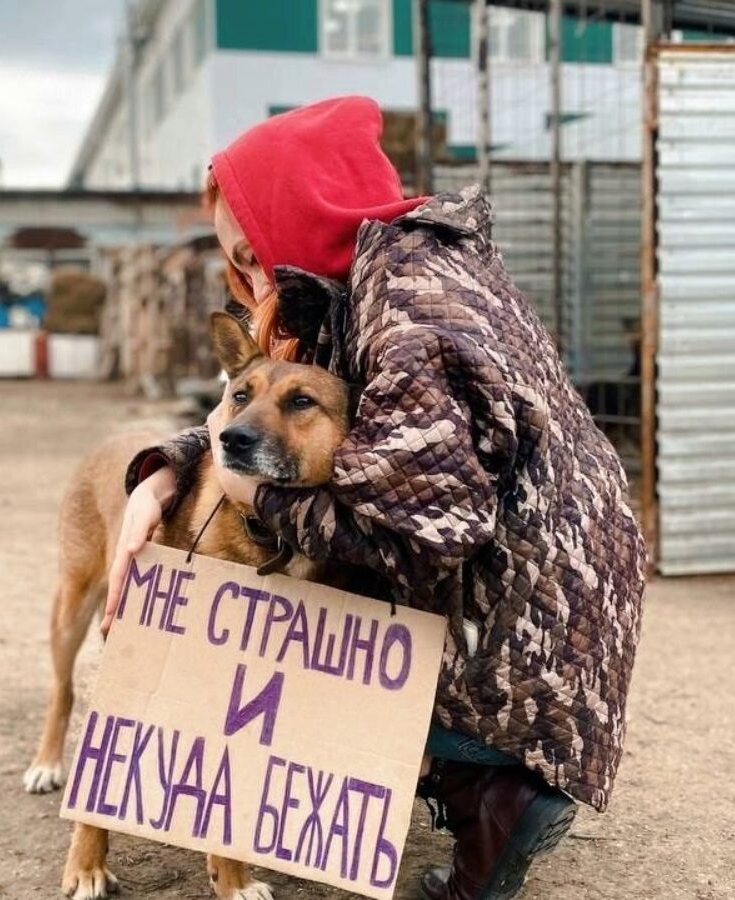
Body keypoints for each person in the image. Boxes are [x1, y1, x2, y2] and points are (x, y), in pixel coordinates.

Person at [101, 96, 647, 900]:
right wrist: (170, 467)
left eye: (253, 254)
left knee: (308, 634)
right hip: (564, 570)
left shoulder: (405, 301)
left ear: (303, 209)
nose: (253, 281)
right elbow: (279, 408)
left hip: (530, 605)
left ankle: (490, 785)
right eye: (239, 267)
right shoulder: (377, 273)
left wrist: (262, 505)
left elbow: (429, 528)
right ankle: (473, 774)